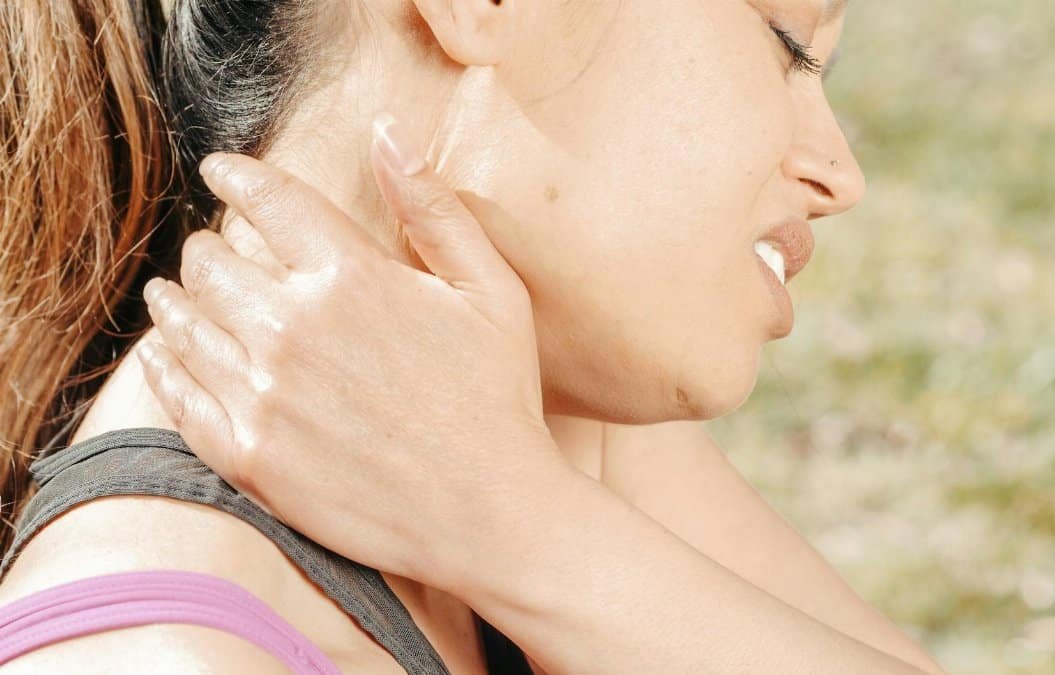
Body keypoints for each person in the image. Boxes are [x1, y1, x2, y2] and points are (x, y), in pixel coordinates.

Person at [0, 0, 945, 672]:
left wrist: (518, 522)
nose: (838, 171)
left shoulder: (538, 431)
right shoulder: (165, 651)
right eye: (788, 46)